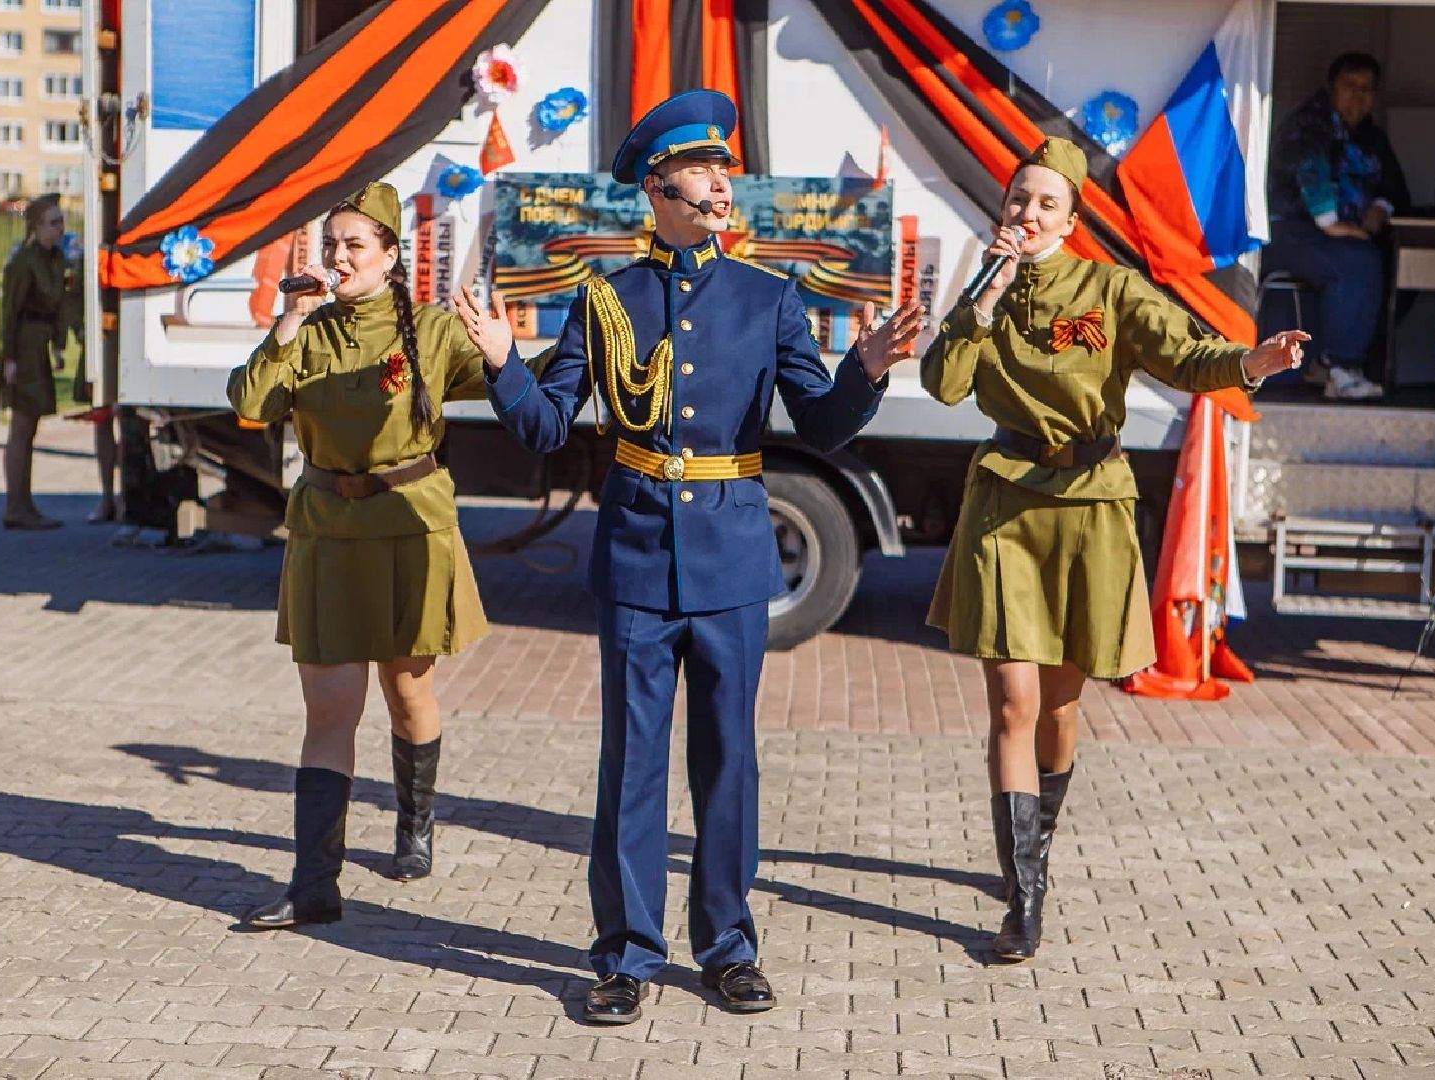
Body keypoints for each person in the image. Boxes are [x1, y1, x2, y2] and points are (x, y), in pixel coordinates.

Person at [453, 89, 922, 1024]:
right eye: (701, 174)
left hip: (732, 558)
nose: (719, 184)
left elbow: (822, 426)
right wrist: (505, 363)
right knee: (630, 762)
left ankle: (726, 946)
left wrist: (863, 372)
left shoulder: (767, 296)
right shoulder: (604, 297)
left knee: (727, 760)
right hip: (632, 556)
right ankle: (624, 952)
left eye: (722, 171)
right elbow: (546, 427)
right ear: (658, 193)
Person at [922, 138, 1306, 962]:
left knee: (1061, 706)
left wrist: (1251, 362)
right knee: (1013, 706)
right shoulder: (983, 288)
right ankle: (1022, 898)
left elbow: (1186, 354)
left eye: (1045, 204)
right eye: (1018, 199)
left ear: (1070, 217)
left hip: (1090, 506)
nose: (1027, 214)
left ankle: (1039, 843)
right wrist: (980, 297)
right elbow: (944, 383)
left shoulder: (1109, 289)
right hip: (1004, 505)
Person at [227, 182, 491, 929]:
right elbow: (250, 405)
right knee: (329, 710)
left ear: (389, 256)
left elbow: (503, 385)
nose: (339, 258)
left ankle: (415, 823)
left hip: (410, 526)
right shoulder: (306, 331)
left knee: (407, 694)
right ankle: (315, 884)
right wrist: (287, 320)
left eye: (354, 245)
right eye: (331, 245)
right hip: (328, 530)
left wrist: (506, 355)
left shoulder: (431, 331)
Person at [1265, 51, 1409, 401]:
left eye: (1367, 88)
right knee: (1356, 261)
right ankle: (1341, 369)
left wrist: (1380, 207)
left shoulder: (1371, 137)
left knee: (1396, 267)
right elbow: (1309, 171)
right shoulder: (1310, 124)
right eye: (1349, 86)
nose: (1358, 95)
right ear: (1331, 88)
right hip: (1287, 231)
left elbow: (1395, 189)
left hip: (1342, 235)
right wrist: (1331, 224)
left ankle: (1330, 361)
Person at [0, 194, 69, 530]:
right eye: (53, 222)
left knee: (31, 427)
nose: (60, 228)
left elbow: (57, 304)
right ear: (36, 226)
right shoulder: (24, 262)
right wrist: (9, 356)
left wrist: (57, 344)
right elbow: (10, 311)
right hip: (23, 347)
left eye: (61, 221)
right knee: (22, 427)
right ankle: (16, 505)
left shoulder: (54, 259)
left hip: (38, 345)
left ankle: (24, 504)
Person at [59, 231, 119, 524]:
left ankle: (132, 500)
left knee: (137, 426)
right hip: (103, 347)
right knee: (103, 421)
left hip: (129, 346)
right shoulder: (89, 251)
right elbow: (73, 296)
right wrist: (80, 330)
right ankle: (107, 497)